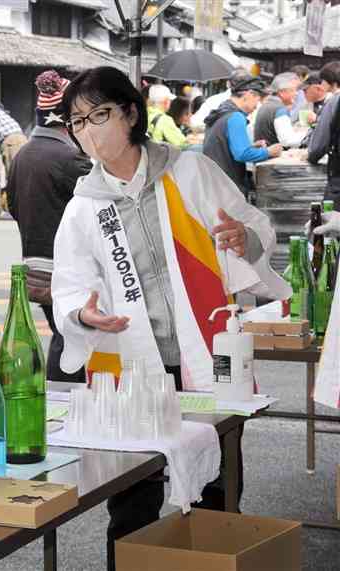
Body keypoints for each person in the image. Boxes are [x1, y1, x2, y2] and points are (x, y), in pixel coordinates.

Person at [53, 66, 290, 571]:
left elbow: (253, 226)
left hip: (207, 358)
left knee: (218, 497)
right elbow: (69, 288)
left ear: (130, 114)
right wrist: (83, 313)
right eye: (77, 122)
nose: (89, 130)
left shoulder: (189, 172)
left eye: (99, 115)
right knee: (131, 503)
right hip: (134, 374)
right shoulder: (83, 208)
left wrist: (241, 240)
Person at [5, 70, 91, 383]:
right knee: (72, 340)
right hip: (67, 269)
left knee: (62, 336)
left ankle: (58, 400)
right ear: (67, 120)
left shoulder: (22, 156)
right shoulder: (71, 159)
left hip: (34, 266)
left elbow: (12, 207)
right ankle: (64, 402)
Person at [203, 76, 282, 198]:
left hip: (214, 182)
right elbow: (242, 154)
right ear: (249, 94)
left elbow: (223, 146)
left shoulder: (222, 112)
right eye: (258, 99)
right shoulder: (235, 117)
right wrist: (269, 152)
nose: (257, 106)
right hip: (227, 187)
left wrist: (250, 147)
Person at [309, 62, 340, 206]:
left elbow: (319, 145)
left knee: (330, 217)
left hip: (338, 175)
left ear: (330, 82)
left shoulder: (334, 102)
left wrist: (311, 157)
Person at [253, 72, 303, 148]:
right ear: (282, 92)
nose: (296, 94)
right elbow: (287, 141)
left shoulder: (268, 104)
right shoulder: (279, 109)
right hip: (271, 157)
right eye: (293, 90)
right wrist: (308, 136)